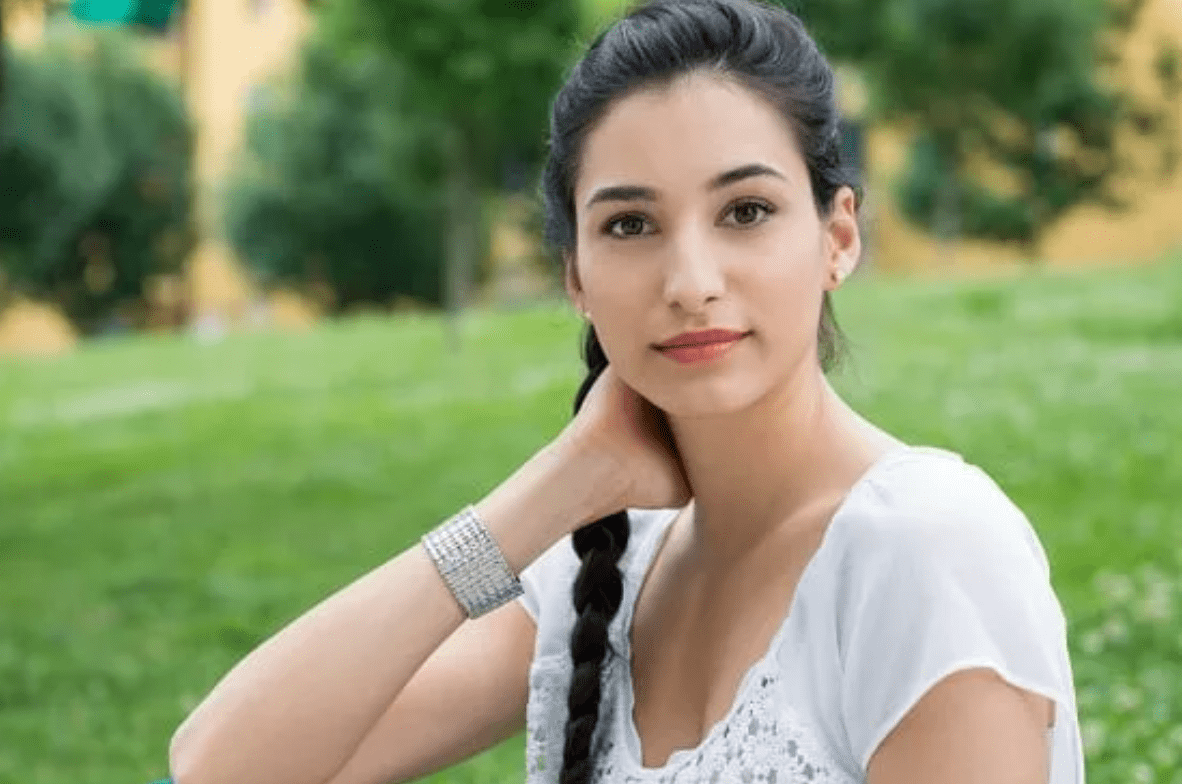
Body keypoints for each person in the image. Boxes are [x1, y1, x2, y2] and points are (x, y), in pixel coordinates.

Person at [163, 1, 1084, 783]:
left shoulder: (924, 549)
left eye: (746, 211)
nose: (690, 279)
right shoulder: (608, 571)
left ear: (838, 235)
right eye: (631, 223)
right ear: (575, 276)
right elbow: (218, 763)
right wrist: (550, 490)